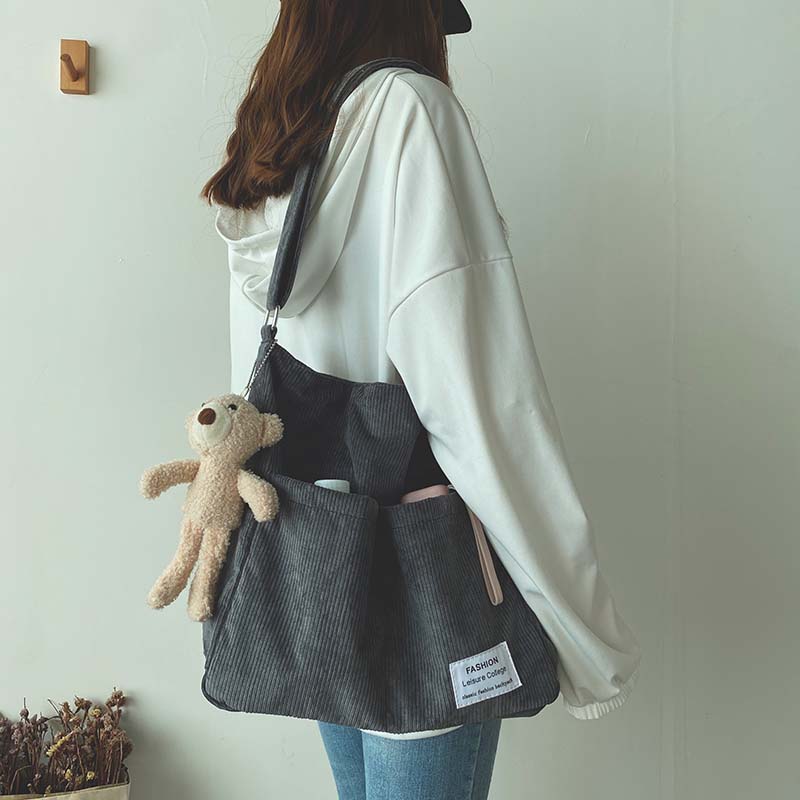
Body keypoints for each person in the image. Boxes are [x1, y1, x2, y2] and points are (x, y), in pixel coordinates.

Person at [201, 1, 642, 797]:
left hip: (314, 567)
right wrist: (583, 630)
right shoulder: (412, 112)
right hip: (422, 580)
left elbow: (261, 378)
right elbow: (482, 404)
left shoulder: (279, 137)